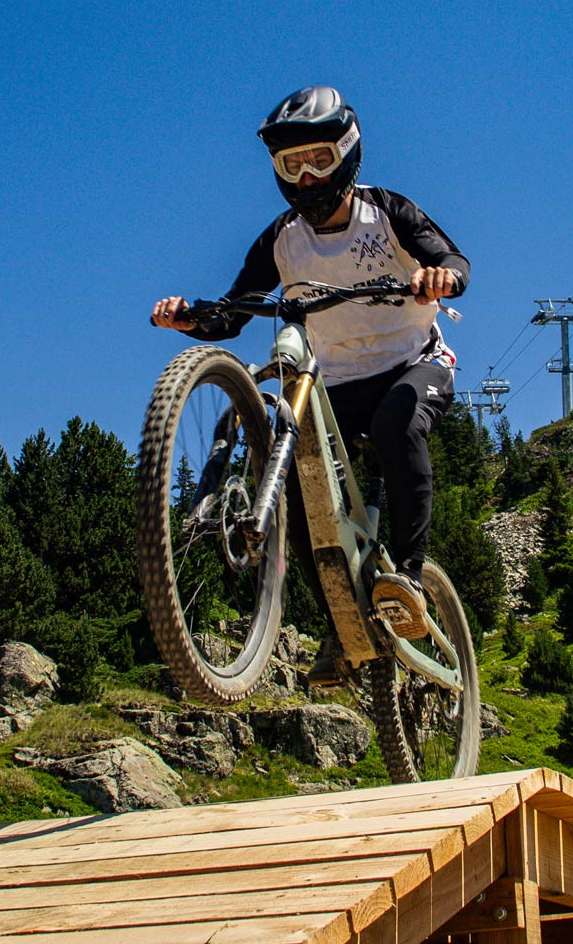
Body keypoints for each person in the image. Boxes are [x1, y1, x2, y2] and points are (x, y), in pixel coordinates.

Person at [151, 85, 469, 682]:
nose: (305, 178)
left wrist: (439, 278)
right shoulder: (282, 238)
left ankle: (408, 576)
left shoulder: (387, 211)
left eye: (319, 160)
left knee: (397, 425)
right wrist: (191, 318)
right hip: (337, 385)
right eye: (290, 164)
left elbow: (454, 262)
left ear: (347, 154)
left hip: (412, 364)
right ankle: (341, 626)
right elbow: (234, 310)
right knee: (298, 490)